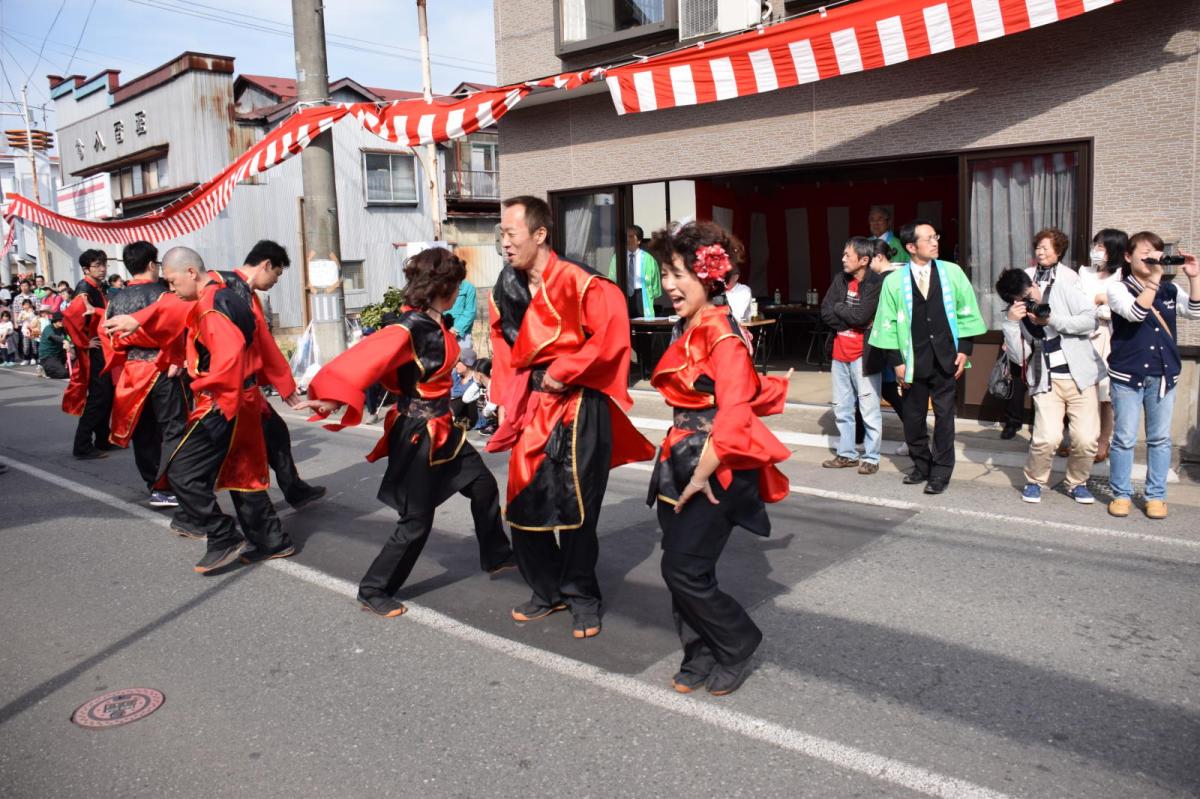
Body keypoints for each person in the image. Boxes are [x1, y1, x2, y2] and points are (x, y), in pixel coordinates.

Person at [298, 248, 515, 617]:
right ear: (443, 287)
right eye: (456, 283)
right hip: (420, 435)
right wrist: (333, 397)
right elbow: (367, 358)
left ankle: (496, 555)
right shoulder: (409, 328)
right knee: (416, 521)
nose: (459, 289)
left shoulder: (430, 323)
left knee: (483, 486)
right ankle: (374, 589)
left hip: (443, 428)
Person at [490, 195, 654, 638]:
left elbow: (611, 332)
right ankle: (547, 589)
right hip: (533, 405)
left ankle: (582, 595)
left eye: (511, 233)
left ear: (540, 235)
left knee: (577, 508)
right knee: (522, 502)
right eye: (501, 235)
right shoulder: (507, 286)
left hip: (578, 404)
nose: (504, 243)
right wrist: (508, 394)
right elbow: (505, 345)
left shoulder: (580, 281)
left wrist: (564, 371)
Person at [646, 220, 791, 696]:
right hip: (682, 457)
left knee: (681, 568)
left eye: (676, 275)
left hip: (715, 467)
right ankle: (699, 652)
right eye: (664, 274)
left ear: (706, 276)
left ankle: (737, 640)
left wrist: (698, 477)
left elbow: (732, 415)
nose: (667, 285)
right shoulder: (689, 324)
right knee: (687, 566)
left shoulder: (720, 332)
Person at [112, 247, 294, 572]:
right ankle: (272, 540)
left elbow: (231, 354)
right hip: (243, 397)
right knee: (240, 473)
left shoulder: (212, 306)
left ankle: (223, 535)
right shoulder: (222, 295)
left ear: (191, 274)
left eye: (171, 281)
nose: (170, 288)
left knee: (181, 472)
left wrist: (202, 384)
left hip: (224, 398)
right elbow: (170, 309)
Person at [869, 220, 986, 494]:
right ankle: (921, 465)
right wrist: (896, 361)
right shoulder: (894, 280)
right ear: (911, 247)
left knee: (945, 417)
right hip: (912, 360)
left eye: (936, 236)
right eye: (929, 238)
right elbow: (885, 322)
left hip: (945, 358)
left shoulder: (952, 272)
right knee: (913, 417)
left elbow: (967, 311)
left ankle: (941, 472)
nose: (935, 242)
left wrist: (964, 349)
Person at [997, 230, 1102, 505]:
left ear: (1032, 283)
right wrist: (1010, 323)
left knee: (1086, 438)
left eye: (1028, 293)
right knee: (1047, 437)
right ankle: (1034, 481)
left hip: (1080, 376)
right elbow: (1020, 357)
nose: (1028, 299)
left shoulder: (1064, 287)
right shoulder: (1018, 314)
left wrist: (1052, 320)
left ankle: (1077, 482)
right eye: (1020, 298)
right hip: (1046, 380)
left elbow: (1090, 320)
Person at [223, 241, 326, 510]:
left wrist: (282, 383)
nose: (276, 281)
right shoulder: (223, 285)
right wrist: (283, 383)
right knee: (234, 459)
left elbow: (262, 342)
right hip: (228, 389)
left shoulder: (243, 291)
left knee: (276, 435)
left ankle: (294, 490)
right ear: (266, 265)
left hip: (246, 386)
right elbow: (263, 343)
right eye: (277, 274)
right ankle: (198, 514)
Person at [1105, 232, 1200, 520]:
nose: (1152, 258)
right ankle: (1121, 494)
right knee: (1124, 438)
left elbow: (1195, 311)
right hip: (1127, 375)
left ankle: (1156, 496)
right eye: (1145, 253)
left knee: (1160, 439)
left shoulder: (1170, 291)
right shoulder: (1117, 289)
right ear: (1128, 256)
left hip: (1163, 376)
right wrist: (1155, 278)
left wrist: (1194, 278)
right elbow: (1136, 312)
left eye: (1156, 253)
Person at [100, 241, 187, 508]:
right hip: (164, 365)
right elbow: (181, 328)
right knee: (174, 428)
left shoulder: (116, 298)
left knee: (144, 431)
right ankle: (175, 483)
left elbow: (109, 337)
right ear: (152, 264)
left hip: (133, 369)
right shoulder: (165, 293)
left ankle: (154, 485)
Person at [821, 236, 885, 474]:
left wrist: (843, 311)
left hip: (864, 356)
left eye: (848, 255)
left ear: (864, 260)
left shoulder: (875, 283)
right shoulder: (840, 279)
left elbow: (862, 316)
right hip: (839, 354)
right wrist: (845, 313)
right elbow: (826, 310)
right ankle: (847, 454)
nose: (843, 259)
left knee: (869, 410)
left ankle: (871, 457)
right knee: (842, 408)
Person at [1078, 228, 1127, 463]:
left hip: (1108, 337)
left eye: (1102, 246)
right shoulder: (1084, 272)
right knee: (1081, 391)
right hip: (1081, 337)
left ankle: (1103, 442)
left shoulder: (1121, 277)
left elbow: (1120, 310)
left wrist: (1102, 306)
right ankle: (1080, 439)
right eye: (1095, 244)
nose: (1096, 250)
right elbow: (1077, 302)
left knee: (1105, 395)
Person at [62, 249, 117, 459]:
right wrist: (85, 342)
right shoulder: (84, 289)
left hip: (102, 347)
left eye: (104, 264)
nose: (102, 269)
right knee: (98, 397)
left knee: (106, 395)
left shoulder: (96, 286)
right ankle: (82, 446)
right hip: (94, 351)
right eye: (97, 265)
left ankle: (103, 438)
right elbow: (70, 319)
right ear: (86, 269)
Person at [869, 239, 907, 453]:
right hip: (896, 342)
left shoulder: (886, 280)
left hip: (889, 344)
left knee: (892, 391)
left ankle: (913, 436)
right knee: (890, 390)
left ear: (879, 257)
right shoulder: (899, 276)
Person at [607, 224, 662, 318]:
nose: (628, 239)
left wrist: (651, 295)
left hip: (642, 296)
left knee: (643, 327)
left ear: (639, 240)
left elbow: (655, 285)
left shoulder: (649, 259)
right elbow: (611, 280)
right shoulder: (618, 258)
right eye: (626, 236)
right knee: (624, 324)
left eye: (631, 236)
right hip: (623, 295)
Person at [450, 348, 481, 428]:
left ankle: (449, 420)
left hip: (469, 416)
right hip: (454, 411)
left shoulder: (476, 380)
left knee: (461, 398)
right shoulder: (456, 376)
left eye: (458, 362)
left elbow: (465, 397)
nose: (455, 365)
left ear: (466, 364)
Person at [447, 276, 477, 350]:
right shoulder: (441, 286)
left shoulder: (468, 287)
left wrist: (456, 330)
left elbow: (470, 312)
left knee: (465, 359)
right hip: (444, 333)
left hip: (462, 335)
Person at [38, 311, 70, 379]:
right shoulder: (48, 328)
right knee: (63, 374)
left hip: (59, 354)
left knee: (74, 370)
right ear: (54, 321)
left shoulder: (62, 328)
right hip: (48, 356)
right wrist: (64, 341)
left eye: (63, 320)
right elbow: (52, 336)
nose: (62, 322)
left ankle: (60, 366)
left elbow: (68, 337)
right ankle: (45, 369)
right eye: (59, 320)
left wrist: (69, 342)